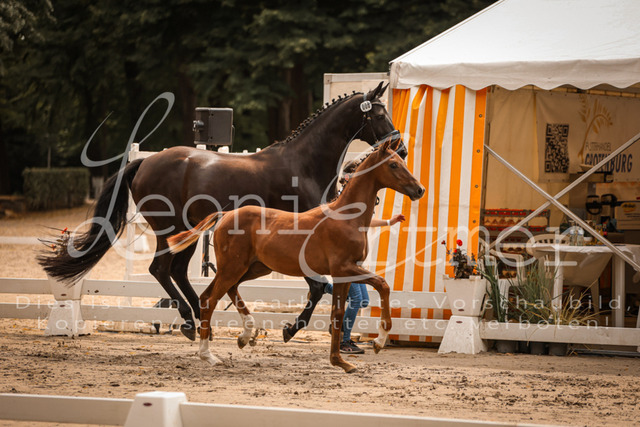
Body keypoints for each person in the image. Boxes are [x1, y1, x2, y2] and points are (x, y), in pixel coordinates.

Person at [324, 160, 406, 354]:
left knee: (363, 301)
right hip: (345, 258)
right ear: (347, 177)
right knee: (356, 299)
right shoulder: (342, 199)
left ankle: (324, 289)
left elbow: (365, 222)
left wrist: (389, 222)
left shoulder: (358, 198)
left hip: (355, 257)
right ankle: (343, 340)